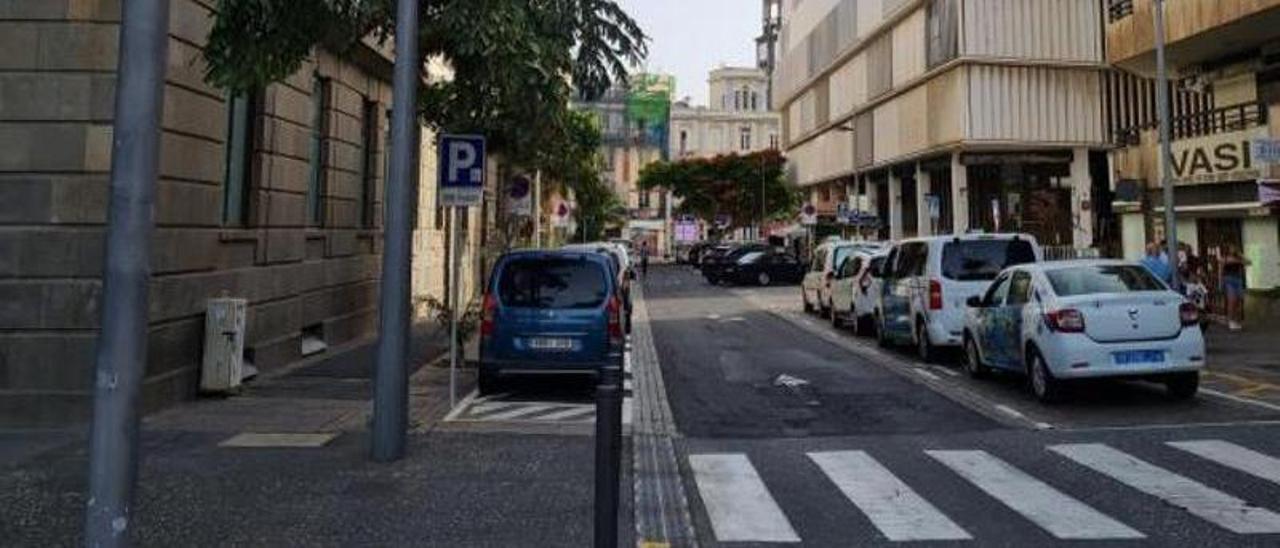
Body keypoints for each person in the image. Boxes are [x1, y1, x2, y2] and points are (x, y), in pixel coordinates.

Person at [1220, 244, 1250, 331]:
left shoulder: (1239, 258)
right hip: (1229, 279)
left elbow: (1249, 262)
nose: (1233, 249)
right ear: (1228, 249)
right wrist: (1221, 282)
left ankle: (1236, 321)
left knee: (1238, 302)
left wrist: (1240, 256)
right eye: (1231, 248)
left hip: (1238, 280)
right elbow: (1221, 270)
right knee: (1231, 301)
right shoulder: (1224, 258)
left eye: (1234, 248)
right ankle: (1230, 321)